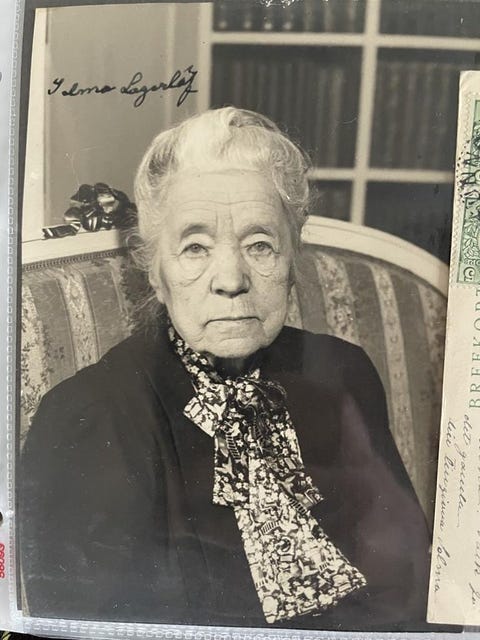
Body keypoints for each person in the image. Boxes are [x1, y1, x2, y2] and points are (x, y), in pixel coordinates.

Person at [20, 107, 431, 631]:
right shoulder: (90, 417)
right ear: (155, 269)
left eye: (260, 245)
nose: (232, 279)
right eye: (195, 247)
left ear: (291, 259)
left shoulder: (344, 373)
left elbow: (410, 591)